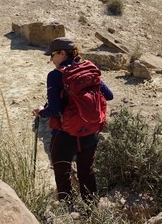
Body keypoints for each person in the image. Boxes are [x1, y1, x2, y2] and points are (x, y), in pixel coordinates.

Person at [33, 36, 113, 201]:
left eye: (53, 55)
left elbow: (54, 110)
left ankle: (67, 210)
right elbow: (109, 95)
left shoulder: (55, 76)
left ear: (62, 53)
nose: (51, 59)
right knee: (87, 173)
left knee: (62, 175)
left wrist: (41, 112)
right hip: (90, 133)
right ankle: (90, 212)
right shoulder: (89, 69)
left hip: (64, 135)